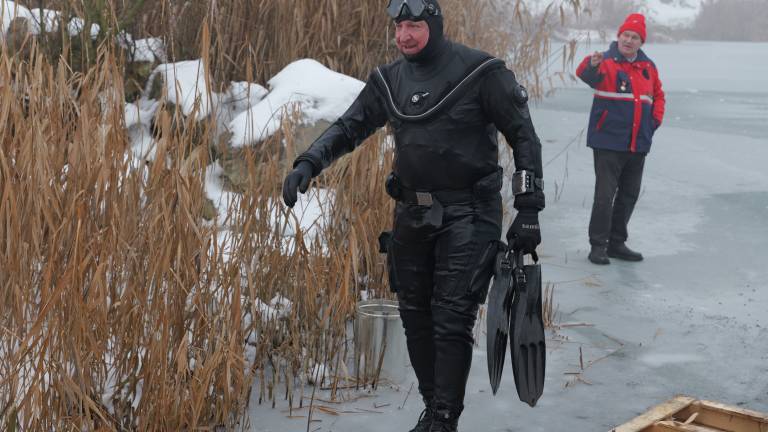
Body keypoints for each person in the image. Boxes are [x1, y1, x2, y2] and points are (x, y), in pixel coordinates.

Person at [282, 1, 544, 430]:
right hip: (412, 213)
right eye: (399, 26)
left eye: (414, 26)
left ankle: (444, 419)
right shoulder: (389, 81)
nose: (404, 35)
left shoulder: (482, 73)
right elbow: (349, 127)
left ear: (434, 25)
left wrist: (528, 207)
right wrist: (309, 162)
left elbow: (524, 136)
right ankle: (433, 408)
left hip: (470, 212)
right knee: (414, 315)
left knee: (452, 317)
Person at [576, 13, 665, 265]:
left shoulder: (648, 67)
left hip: (638, 143)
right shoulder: (605, 61)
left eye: (634, 37)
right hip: (608, 142)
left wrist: (653, 122)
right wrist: (591, 64)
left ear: (641, 42)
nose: (628, 40)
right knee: (605, 196)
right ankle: (598, 246)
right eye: (626, 35)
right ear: (619, 36)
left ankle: (616, 243)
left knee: (629, 195)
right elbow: (585, 74)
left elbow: (659, 96)